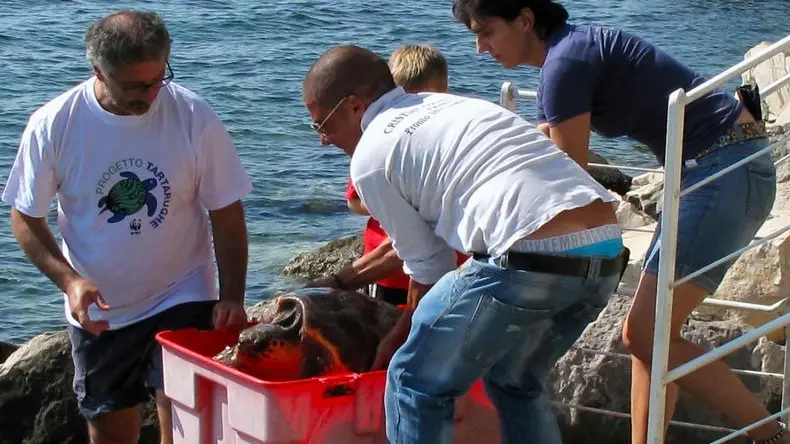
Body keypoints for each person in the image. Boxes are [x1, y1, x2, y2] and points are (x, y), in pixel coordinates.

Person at [451, 0, 781, 442]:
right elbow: (545, 152)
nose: (479, 47)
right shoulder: (567, 56)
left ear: (525, 20)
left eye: (486, 32)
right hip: (716, 167)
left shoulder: (564, 65)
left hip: (722, 170)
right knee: (648, 338)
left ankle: (772, 435)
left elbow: (565, 173)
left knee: (645, 333)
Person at [301, 44, 629, 444]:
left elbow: (430, 268)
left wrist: (399, 336)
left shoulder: (370, 156)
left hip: (529, 257)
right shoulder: (454, 106)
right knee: (514, 379)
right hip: (607, 252)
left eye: (322, 126)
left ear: (354, 106)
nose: (323, 141)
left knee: (413, 381)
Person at [1, 10, 252, 444]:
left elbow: (226, 212)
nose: (151, 95)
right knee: (110, 426)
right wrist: (70, 282)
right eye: (136, 85)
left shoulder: (193, 115)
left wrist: (231, 296)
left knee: (181, 416)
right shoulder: (56, 124)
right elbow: (25, 216)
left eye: (159, 79)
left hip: (182, 291)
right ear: (99, 71)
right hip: (102, 310)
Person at [309, 44, 466, 305]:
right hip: (393, 272)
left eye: (324, 125)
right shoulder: (380, 157)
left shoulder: (378, 154)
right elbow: (357, 202)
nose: (324, 140)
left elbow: (424, 252)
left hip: (430, 267)